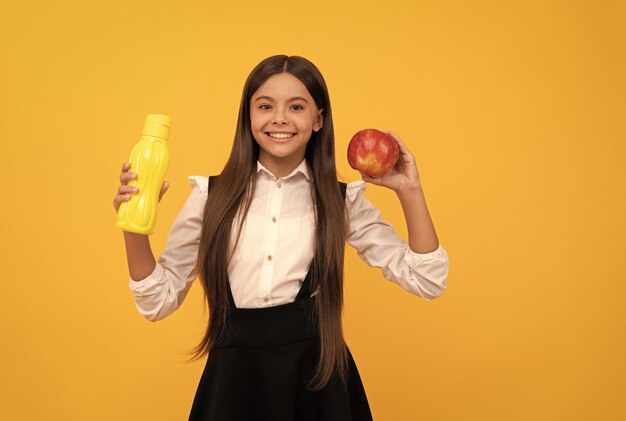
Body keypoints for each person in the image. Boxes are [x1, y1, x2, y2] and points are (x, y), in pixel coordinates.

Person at [113, 55, 449, 421]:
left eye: (297, 106)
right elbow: (157, 302)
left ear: (318, 119)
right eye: (265, 106)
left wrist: (409, 191)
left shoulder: (340, 202)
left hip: (318, 386)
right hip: (235, 385)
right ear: (248, 116)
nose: (280, 118)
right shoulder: (210, 198)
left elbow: (427, 279)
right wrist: (134, 224)